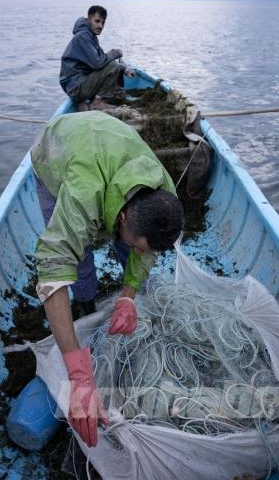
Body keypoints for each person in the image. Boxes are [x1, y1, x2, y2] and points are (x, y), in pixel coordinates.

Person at [30, 111, 183, 448]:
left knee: (136, 249)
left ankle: (126, 282)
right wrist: (79, 373)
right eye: (131, 238)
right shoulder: (83, 193)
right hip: (56, 153)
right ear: (124, 215)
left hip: (112, 148)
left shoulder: (164, 194)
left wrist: (128, 295)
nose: (140, 249)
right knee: (77, 254)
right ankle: (85, 300)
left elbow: (147, 249)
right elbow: (53, 270)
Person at [59, 5, 134, 107]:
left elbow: (102, 59)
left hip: (82, 82)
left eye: (103, 23)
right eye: (97, 21)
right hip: (75, 87)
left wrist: (124, 69)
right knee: (112, 65)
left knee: (120, 95)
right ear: (89, 19)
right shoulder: (82, 36)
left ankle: (89, 102)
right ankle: (97, 102)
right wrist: (115, 53)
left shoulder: (90, 36)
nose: (100, 26)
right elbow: (98, 63)